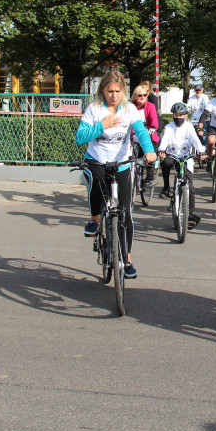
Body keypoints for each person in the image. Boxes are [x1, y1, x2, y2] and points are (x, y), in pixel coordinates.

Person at [75, 70, 158, 279]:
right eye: (110, 91)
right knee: (94, 181)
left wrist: (149, 150)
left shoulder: (129, 109)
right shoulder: (94, 109)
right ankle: (94, 219)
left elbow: (140, 131)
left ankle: (127, 259)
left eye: (118, 91)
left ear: (123, 92)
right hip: (97, 159)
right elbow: (80, 138)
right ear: (102, 90)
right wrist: (101, 125)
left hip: (121, 163)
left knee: (126, 213)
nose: (114, 95)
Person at [157, 102, 208, 228]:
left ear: (186, 116)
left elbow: (195, 140)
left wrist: (201, 151)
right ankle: (166, 187)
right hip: (172, 156)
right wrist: (162, 149)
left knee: (190, 187)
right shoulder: (169, 127)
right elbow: (165, 139)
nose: (178, 117)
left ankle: (190, 214)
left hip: (186, 158)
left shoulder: (189, 127)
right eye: (175, 114)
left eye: (181, 115)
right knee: (166, 163)